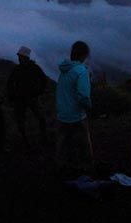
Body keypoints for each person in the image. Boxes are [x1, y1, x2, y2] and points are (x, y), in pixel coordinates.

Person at [55, 41, 94, 177]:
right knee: (83, 144)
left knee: (63, 143)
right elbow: (83, 96)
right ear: (84, 55)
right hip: (76, 115)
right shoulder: (81, 71)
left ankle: (62, 169)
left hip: (62, 114)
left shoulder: (64, 70)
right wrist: (90, 107)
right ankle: (85, 169)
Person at [6, 46, 49, 149]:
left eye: (20, 56)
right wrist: (39, 91)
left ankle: (30, 140)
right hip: (26, 98)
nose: (19, 58)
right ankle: (37, 140)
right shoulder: (32, 67)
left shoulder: (20, 68)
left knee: (28, 119)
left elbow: (10, 83)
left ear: (24, 57)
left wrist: (12, 96)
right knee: (37, 118)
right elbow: (44, 79)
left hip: (25, 98)